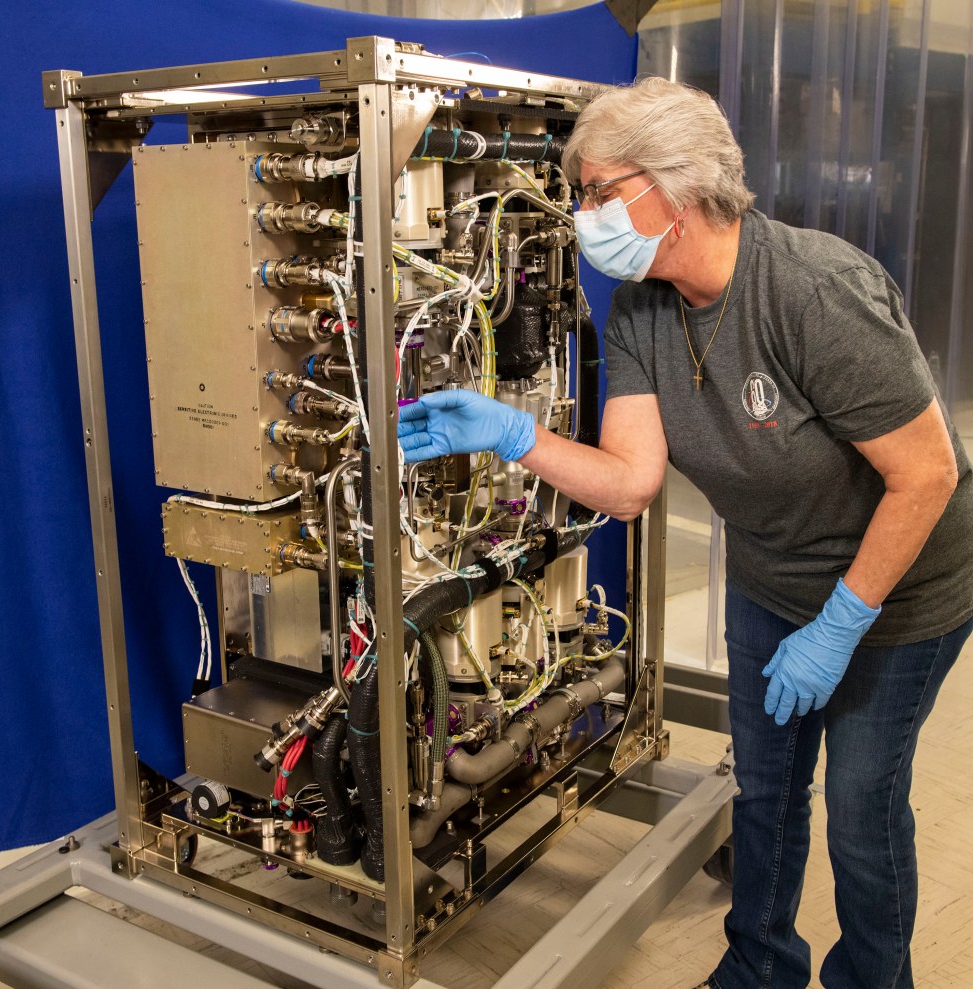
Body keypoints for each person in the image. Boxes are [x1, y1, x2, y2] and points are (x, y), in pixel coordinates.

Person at [397, 77, 973, 989]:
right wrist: (516, 433)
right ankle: (760, 968)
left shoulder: (814, 290)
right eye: (580, 194)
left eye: (598, 192)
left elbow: (928, 473)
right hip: (773, 576)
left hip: (900, 589)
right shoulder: (644, 310)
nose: (583, 216)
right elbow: (629, 483)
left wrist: (838, 625)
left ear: (679, 184)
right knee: (769, 792)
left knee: (862, 807)